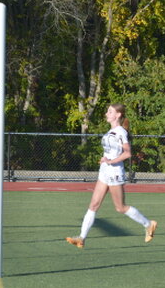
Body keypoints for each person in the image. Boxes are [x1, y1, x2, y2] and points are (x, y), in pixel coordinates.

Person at [66, 104, 157, 248]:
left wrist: (110, 161)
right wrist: (105, 160)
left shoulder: (120, 132)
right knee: (93, 205)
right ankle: (81, 238)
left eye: (110, 112)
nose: (106, 114)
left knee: (120, 208)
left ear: (118, 115)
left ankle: (148, 224)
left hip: (115, 173)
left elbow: (127, 153)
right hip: (104, 172)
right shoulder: (111, 131)